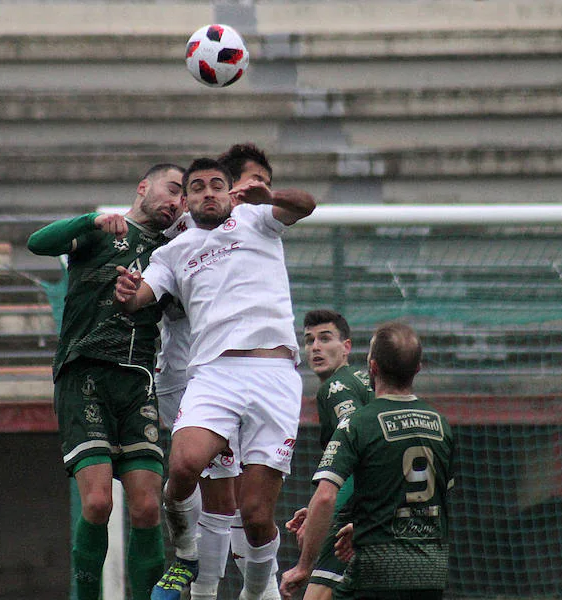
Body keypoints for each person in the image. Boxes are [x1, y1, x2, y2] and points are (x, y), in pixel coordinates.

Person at [114, 157, 315, 600]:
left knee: (258, 515)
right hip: (213, 373)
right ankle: (187, 555)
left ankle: (256, 594)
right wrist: (129, 294)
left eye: (217, 185)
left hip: (274, 374)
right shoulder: (172, 252)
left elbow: (307, 204)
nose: (209, 192)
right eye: (199, 187)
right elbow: (140, 297)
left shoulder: (255, 218)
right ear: (187, 200)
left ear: (230, 192)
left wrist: (272, 197)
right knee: (183, 466)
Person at [26, 163, 185, 600]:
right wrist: (89, 220)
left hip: (138, 382)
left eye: (182, 197)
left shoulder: (175, 251)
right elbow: (37, 243)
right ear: (143, 187)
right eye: (172, 189)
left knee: (149, 507)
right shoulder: (99, 232)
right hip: (86, 375)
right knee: (97, 503)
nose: (175, 201)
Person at [154, 143, 285, 600]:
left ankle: (257, 586)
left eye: (258, 184)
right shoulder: (178, 229)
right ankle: (200, 582)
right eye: (248, 180)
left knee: (249, 509)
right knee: (212, 489)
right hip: (189, 375)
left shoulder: (253, 228)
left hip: (246, 372)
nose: (252, 190)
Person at [280, 322, 456, 600]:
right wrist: (362, 526)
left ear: (372, 368)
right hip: (431, 571)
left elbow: (326, 497)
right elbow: (435, 498)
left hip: (378, 568)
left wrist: (303, 567)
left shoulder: (358, 423)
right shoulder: (442, 425)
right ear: (418, 368)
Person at [284, 309, 374, 600]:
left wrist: (324, 517)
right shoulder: (360, 382)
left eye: (325, 338)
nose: (316, 347)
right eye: (309, 341)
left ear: (346, 347)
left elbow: (355, 459)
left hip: (359, 516)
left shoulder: (336, 389)